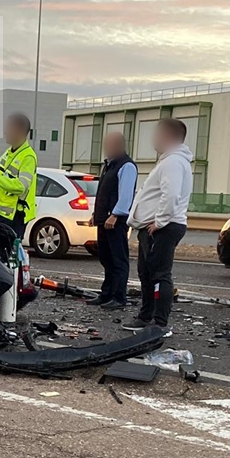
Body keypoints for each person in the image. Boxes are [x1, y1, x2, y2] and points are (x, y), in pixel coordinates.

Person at [124, 118, 193, 336]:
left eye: (157, 133)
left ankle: (159, 323)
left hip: (163, 227)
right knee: (146, 273)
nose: (153, 138)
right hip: (154, 226)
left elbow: (170, 194)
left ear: (169, 136)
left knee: (159, 275)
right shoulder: (169, 161)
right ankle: (146, 317)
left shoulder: (173, 162)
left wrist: (160, 222)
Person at [86, 131, 137, 310]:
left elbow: (126, 195)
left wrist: (115, 214)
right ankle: (106, 293)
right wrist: (96, 214)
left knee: (118, 260)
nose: (106, 148)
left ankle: (119, 296)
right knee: (106, 258)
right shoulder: (109, 165)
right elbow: (104, 192)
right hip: (104, 219)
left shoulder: (126, 166)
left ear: (120, 145)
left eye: (110, 144)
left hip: (115, 221)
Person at [0, 113, 37, 239]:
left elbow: (21, 186)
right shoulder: (10, 152)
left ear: (19, 131)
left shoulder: (28, 156)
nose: (5, 132)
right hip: (6, 215)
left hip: (16, 215)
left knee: (8, 253)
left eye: (9, 128)